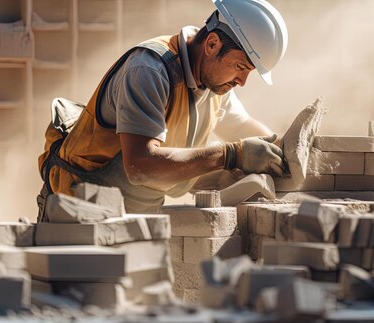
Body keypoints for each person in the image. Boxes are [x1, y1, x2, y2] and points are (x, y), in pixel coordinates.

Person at [36, 0, 289, 220]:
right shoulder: (148, 71)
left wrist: (282, 152)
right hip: (76, 216)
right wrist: (231, 155)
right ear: (212, 44)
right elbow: (140, 167)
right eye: (240, 67)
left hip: (132, 215)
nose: (242, 81)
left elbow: (241, 125)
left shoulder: (214, 83)